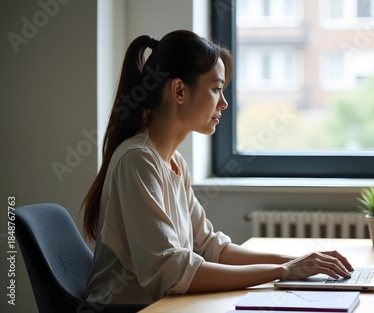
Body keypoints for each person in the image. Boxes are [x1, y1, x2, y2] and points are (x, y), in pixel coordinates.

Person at [82, 30, 353, 305]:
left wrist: (297, 263)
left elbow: (210, 247)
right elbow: (171, 271)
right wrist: (283, 271)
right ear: (179, 91)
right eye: (215, 89)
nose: (223, 102)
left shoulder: (174, 163)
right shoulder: (137, 161)